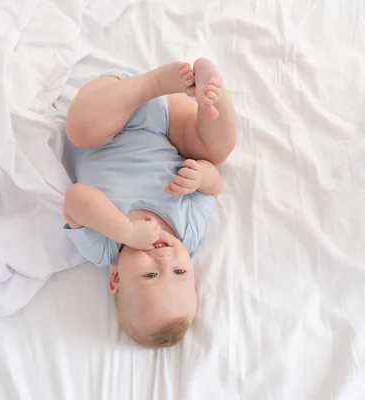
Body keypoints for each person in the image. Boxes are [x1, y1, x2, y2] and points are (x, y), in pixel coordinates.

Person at [62, 58, 236, 347]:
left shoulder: (104, 247)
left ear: (116, 279)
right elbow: (214, 186)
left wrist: (125, 231)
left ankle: (151, 82)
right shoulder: (188, 231)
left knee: (80, 129)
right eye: (180, 272)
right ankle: (212, 94)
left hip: (108, 116)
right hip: (162, 125)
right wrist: (200, 177)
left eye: (151, 274)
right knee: (216, 150)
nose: (165, 260)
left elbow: (76, 199)